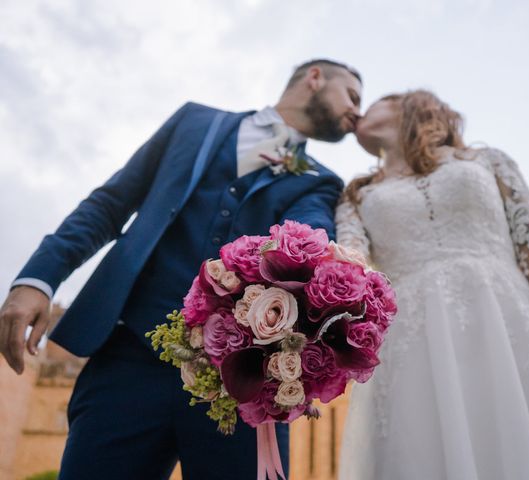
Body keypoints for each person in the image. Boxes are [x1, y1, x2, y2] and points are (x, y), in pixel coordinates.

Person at [0, 58, 362, 480]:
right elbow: (110, 203)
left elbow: (308, 248)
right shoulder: (195, 122)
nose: (357, 113)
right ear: (314, 79)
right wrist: (38, 279)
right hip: (127, 360)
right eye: (352, 95)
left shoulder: (321, 183)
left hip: (240, 387)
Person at [336, 90, 529, 479]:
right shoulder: (355, 197)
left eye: (370, 99)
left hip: (511, 333)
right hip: (413, 354)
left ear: (405, 105)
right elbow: (348, 267)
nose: (359, 109)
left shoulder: (485, 161)